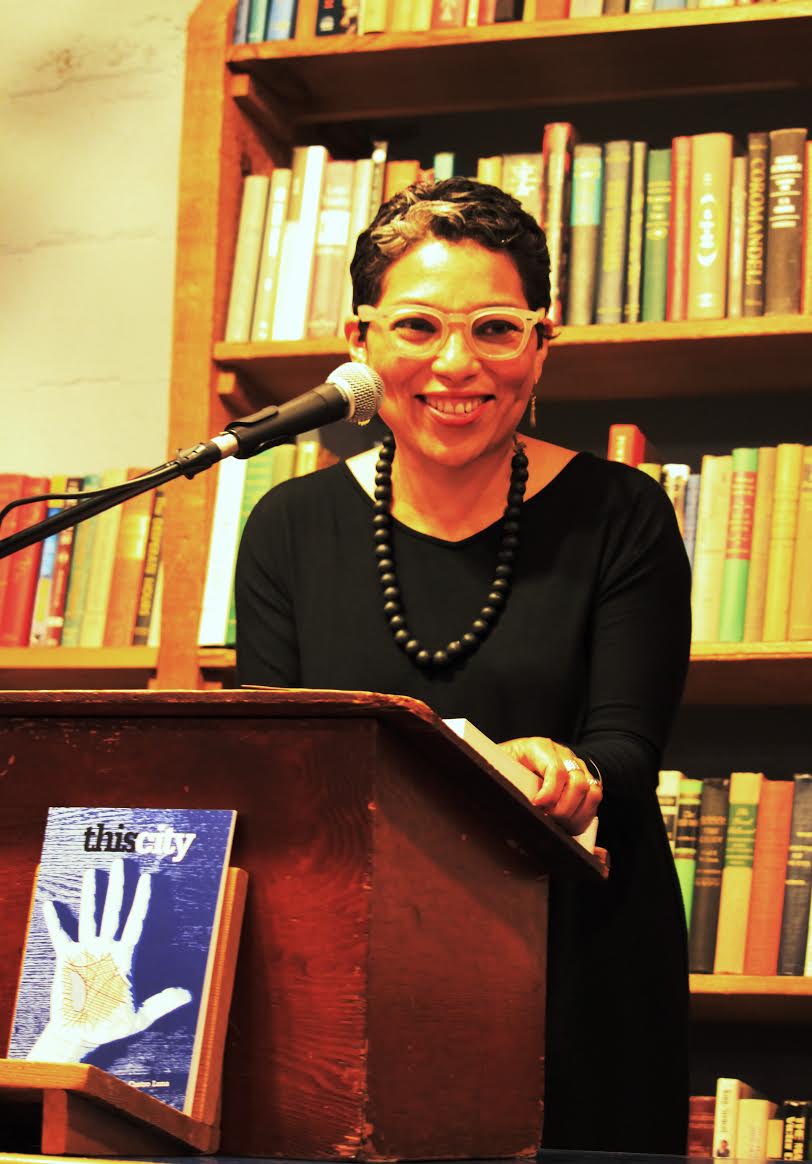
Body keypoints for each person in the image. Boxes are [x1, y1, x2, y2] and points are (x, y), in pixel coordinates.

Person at [235, 176, 692, 1153]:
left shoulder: (623, 515)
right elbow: (273, 765)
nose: (454, 364)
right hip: (346, 977)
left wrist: (570, 772)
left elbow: (626, 743)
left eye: (493, 329)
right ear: (358, 343)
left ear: (540, 342)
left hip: (574, 964)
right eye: (416, 328)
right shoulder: (286, 526)